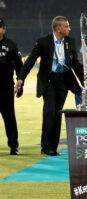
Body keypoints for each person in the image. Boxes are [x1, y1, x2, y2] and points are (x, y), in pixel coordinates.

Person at [15, 16, 84, 156]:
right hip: (48, 81)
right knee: (49, 112)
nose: (69, 29)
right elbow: (30, 61)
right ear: (58, 29)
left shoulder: (70, 42)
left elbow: (75, 63)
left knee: (58, 112)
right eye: (67, 26)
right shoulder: (43, 42)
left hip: (63, 81)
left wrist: (83, 80)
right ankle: (45, 147)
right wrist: (21, 78)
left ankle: (53, 147)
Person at [0, 18, 23, 155]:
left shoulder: (11, 45)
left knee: (9, 117)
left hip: (5, 88)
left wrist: (21, 83)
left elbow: (19, 66)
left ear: (4, 29)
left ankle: (13, 146)